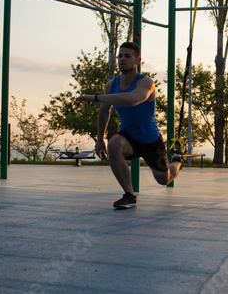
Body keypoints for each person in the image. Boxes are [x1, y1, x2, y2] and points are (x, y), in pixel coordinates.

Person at [77, 42, 182, 209]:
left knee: (164, 179)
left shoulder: (146, 83)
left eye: (127, 56)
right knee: (113, 143)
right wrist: (99, 140)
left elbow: (132, 100)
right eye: (120, 56)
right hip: (128, 137)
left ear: (137, 61)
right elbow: (105, 111)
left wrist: (97, 97)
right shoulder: (112, 85)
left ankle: (176, 160)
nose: (122, 59)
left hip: (150, 140)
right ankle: (129, 195)